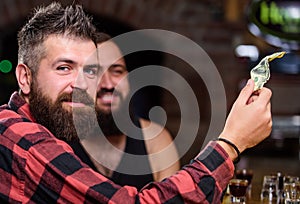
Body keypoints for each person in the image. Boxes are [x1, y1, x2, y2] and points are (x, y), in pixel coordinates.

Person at [0, 2, 272, 203]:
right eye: (64, 68)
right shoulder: (22, 139)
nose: (82, 84)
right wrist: (232, 142)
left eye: (90, 71)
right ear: (25, 77)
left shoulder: (46, 128)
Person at [68, 33, 180, 190]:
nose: (108, 84)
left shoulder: (155, 140)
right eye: (93, 72)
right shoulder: (57, 139)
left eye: (117, 71)